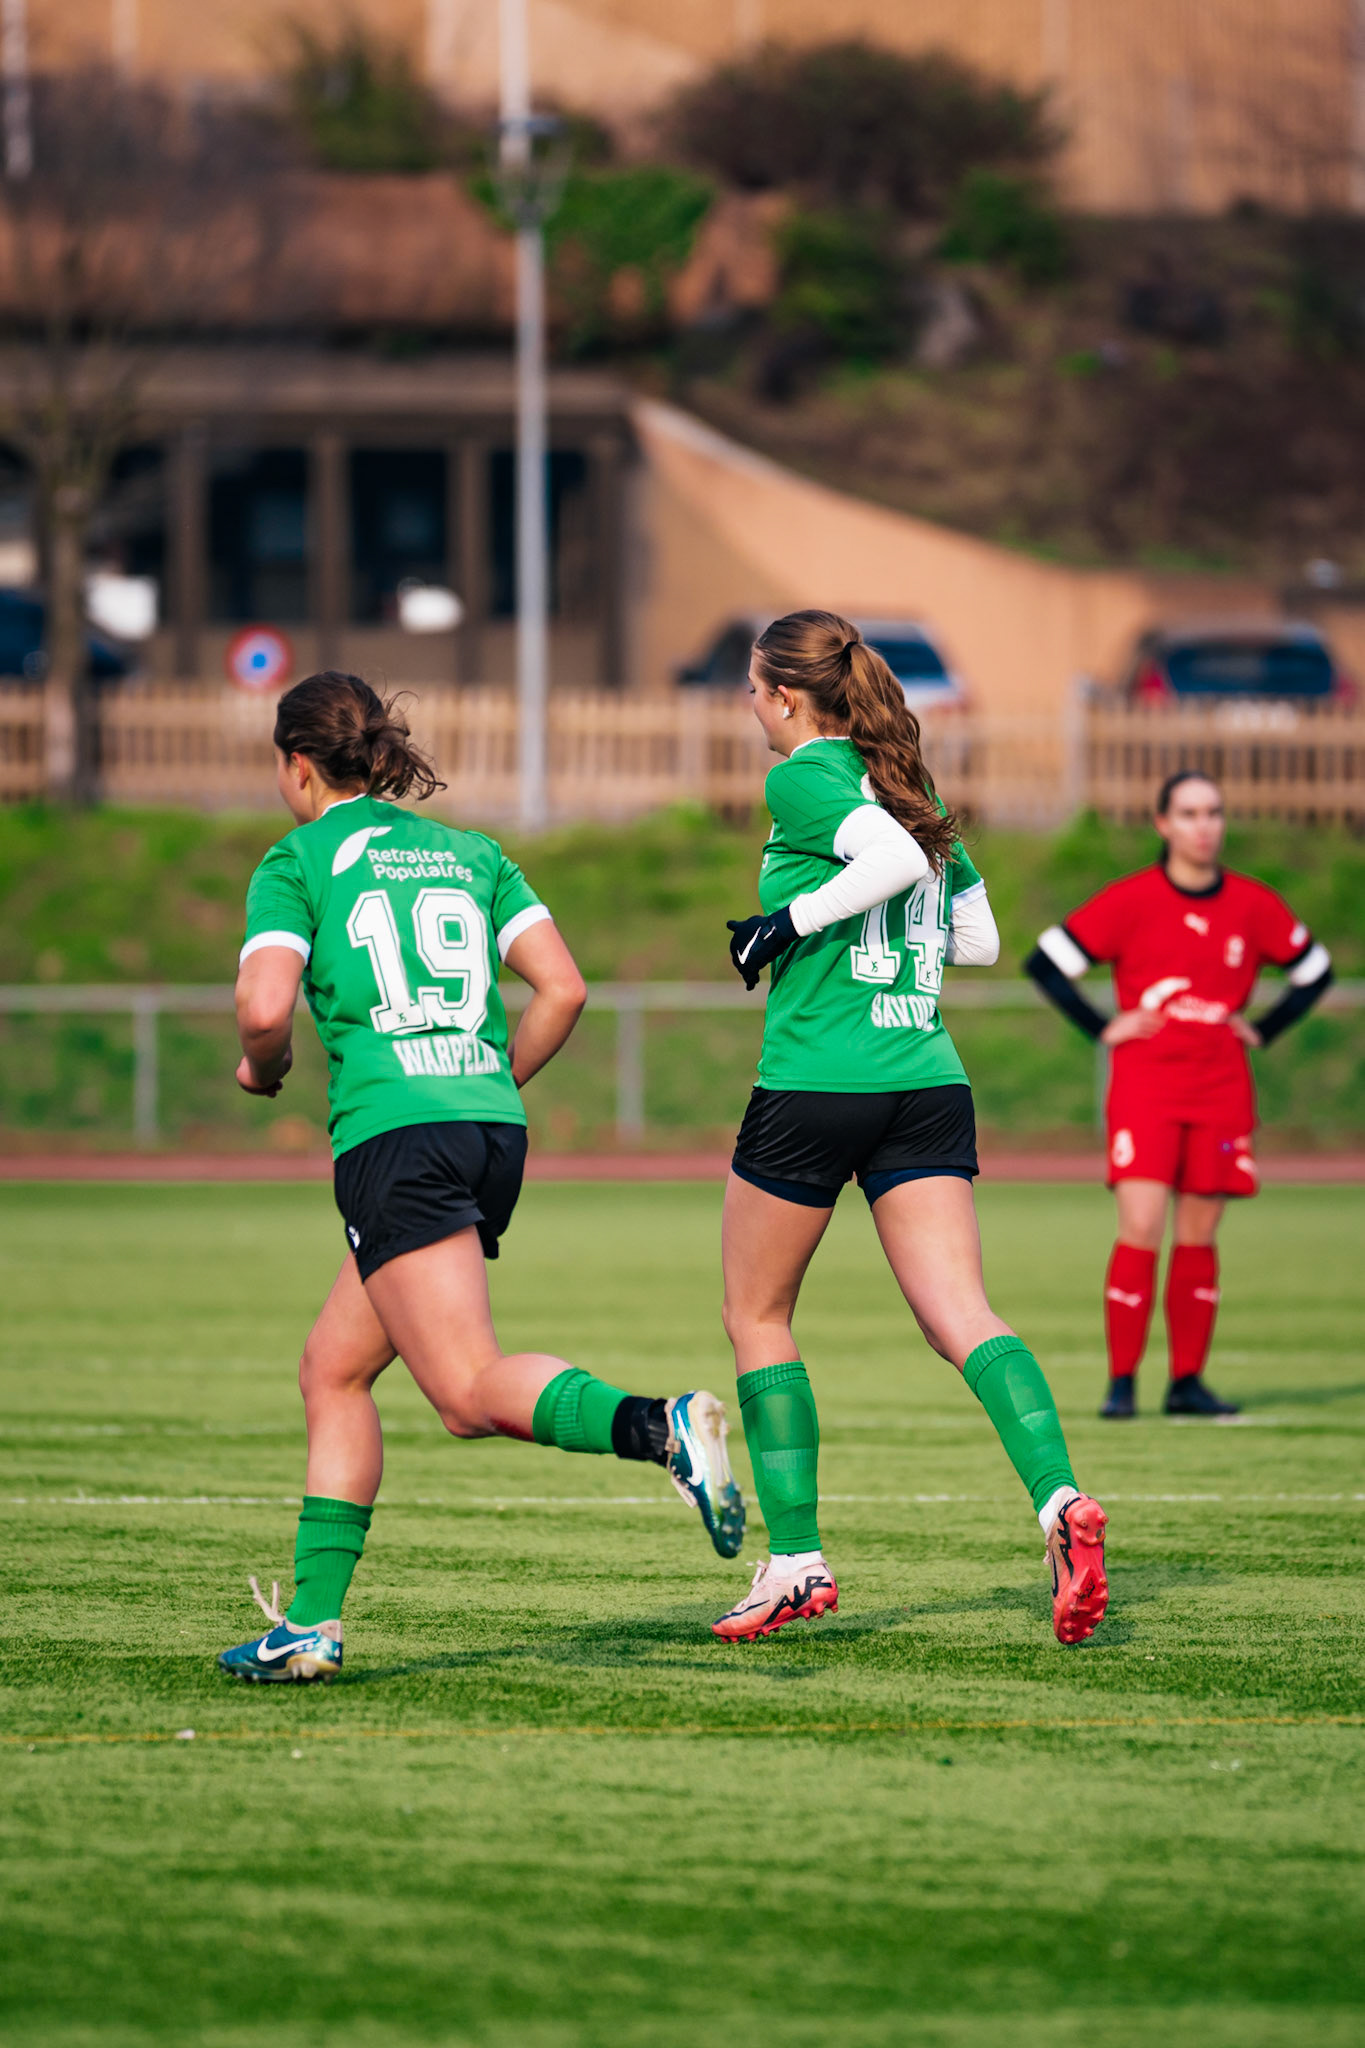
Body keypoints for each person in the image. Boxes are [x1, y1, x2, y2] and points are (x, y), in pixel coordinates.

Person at [217, 671, 743, 1683]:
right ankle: (311, 1625)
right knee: (333, 1369)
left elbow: (262, 1008)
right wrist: (483, 1078)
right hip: (489, 1128)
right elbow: (563, 989)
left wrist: (261, 1069)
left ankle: (659, 1425)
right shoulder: (472, 852)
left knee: (464, 1389)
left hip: (398, 1139)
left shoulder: (298, 860)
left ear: (297, 764)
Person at [714, 610, 1108, 1647]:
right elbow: (975, 937)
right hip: (925, 1078)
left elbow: (887, 861)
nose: (750, 705)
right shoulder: (905, 781)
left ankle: (795, 1561)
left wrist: (787, 922)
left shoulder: (804, 776)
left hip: (817, 1079)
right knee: (962, 1314)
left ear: (786, 697)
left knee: (757, 1315)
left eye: (753, 688)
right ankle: (1059, 1499)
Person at [1024, 769, 1332, 1421]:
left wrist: (1265, 1027)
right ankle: (1121, 1384)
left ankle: (1186, 1382)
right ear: (1163, 824)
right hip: (1146, 1088)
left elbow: (1313, 971)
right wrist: (1103, 1027)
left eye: (1213, 812)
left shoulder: (1252, 904)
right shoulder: (1131, 900)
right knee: (1141, 1226)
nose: (1204, 826)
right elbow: (1045, 962)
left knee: (1199, 1234)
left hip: (1220, 1089)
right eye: (1189, 813)